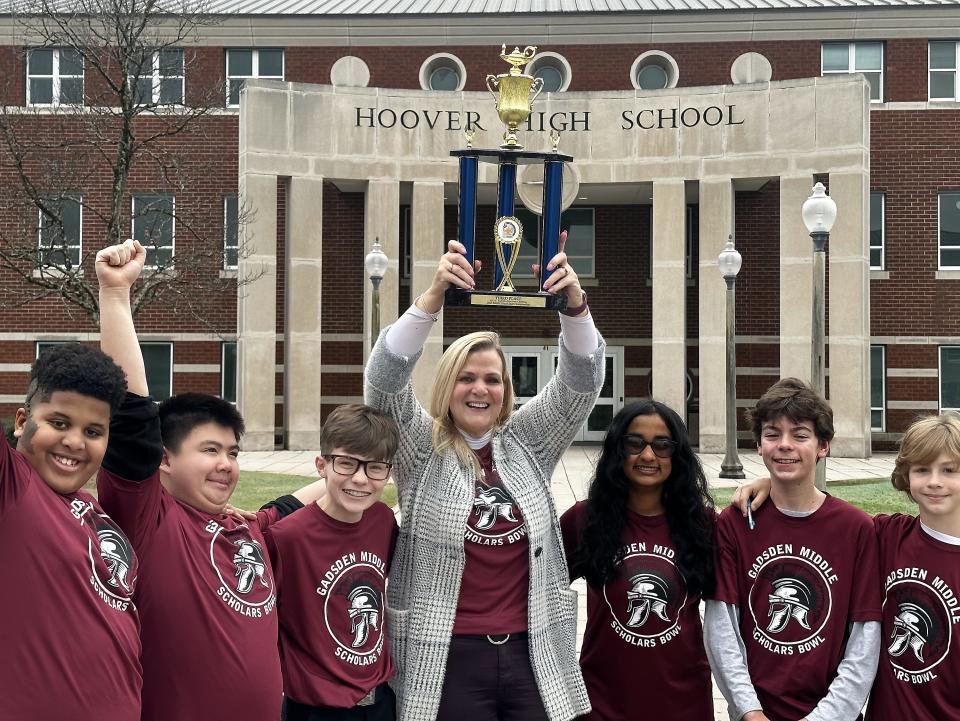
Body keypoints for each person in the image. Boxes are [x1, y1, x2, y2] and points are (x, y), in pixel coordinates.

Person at [363, 236, 604, 721]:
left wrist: (574, 307)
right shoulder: (420, 445)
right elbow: (384, 382)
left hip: (531, 651)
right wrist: (431, 299)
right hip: (446, 654)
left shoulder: (528, 442)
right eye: (466, 377)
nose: (479, 389)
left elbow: (580, 383)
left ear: (506, 390)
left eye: (492, 379)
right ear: (447, 385)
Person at [94, 239, 325, 721]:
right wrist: (116, 296)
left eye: (234, 452)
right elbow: (134, 417)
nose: (227, 464)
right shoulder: (148, 519)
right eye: (210, 450)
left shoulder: (244, 529)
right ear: (164, 461)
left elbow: (291, 504)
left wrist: (349, 467)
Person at [735, 413, 960, 720]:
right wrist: (773, 483)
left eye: (949, 471)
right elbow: (828, 518)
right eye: (922, 469)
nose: (935, 481)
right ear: (906, 475)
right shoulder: (887, 535)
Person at [704, 377, 882, 721]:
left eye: (800, 435)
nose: (785, 445)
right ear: (758, 445)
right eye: (772, 434)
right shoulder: (736, 522)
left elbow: (864, 638)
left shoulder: (856, 528)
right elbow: (721, 627)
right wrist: (749, 711)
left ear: (823, 446)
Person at [0, 313, 139, 719]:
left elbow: (136, 416)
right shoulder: (13, 485)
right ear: (22, 422)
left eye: (94, 432)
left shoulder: (92, 507)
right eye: (59, 423)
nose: (75, 442)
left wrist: (116, 295)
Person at [560, 400, 716, 721]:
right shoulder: (585, 519)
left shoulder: (703, 525)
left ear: (678, 455)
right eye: (635, 443)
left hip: (684, 705)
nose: (648, 456)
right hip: (601, 704)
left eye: (662, 445)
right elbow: (533, 591)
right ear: (619, 450)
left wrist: (765, 484)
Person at [265, 403, 400, 721]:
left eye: (375, 468)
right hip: (317, 708)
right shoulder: (287, 537)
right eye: (346, 464)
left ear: (388, 473)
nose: (360, 479)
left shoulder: (382, 520)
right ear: (321, 465)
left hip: (380, 701)